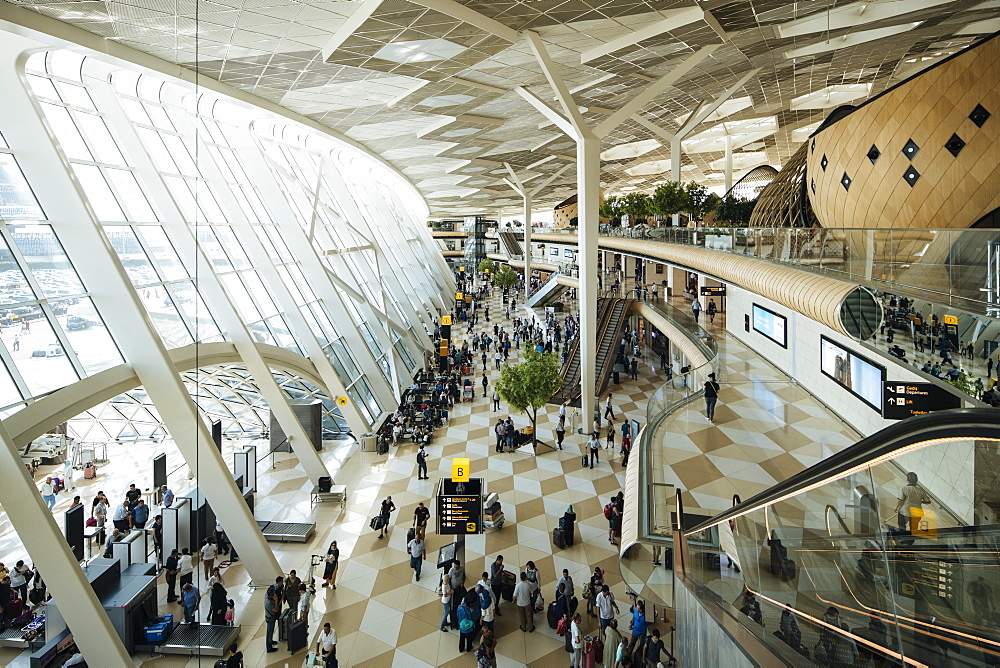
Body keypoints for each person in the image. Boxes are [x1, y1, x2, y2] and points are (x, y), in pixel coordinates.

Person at [264, 586, 279, 653]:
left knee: (271, 631)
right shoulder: (269, 603)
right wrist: (276, 601)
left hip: (269, 617)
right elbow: (275, 610)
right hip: (270, 618)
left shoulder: (267, 598)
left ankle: (270, 641)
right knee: (269, 632)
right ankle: (269, 647)